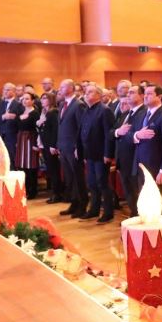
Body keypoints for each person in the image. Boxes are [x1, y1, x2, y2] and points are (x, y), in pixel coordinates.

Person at [133, 85, 162, 216]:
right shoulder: (143, 114)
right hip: (142, 164)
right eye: (145, 94)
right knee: (146, 200)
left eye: (150, 94)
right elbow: (134, 134)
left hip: (157, 167)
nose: (145, 96)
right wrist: (136, 135)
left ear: (159, 96)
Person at [78, 85, 116, 223]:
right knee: (92, 183)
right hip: (90, 154)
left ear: (99, 95)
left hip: (101, 154)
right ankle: (94, 210)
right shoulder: (86, 110)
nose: (86, 94)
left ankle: (108, 212)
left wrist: (108, 154)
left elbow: (108, 134)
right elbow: (82, 132)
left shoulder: (104, 110)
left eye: (90, 92)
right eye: (86, 92)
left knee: (102, 183)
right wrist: (82, 152)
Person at [113, 85, 146, 217]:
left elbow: (137, 134)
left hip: (135, 158)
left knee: (137, 190)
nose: (128, 95)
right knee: (128, 191)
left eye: (132, 92)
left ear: (142, 96)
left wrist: (123, 133)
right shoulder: (126, 114)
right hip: (123, 159)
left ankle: (141, 216)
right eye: (128, 93)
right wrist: (118, 132)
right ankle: (134, 214)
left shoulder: (144, 113)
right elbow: (112, 132)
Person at [57, 79, 88, 218]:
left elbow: (81, 128)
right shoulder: (62, 104)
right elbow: (61, 126)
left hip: (73, 148)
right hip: (64, 147)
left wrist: (77, 146)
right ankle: (74, 203)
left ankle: (82, 205)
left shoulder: (78, 105)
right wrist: (59, 145)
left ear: (71, 88)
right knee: (70, 177)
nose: (60, 89)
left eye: (63, 86)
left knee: (78, 177)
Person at [37, 92, 62, 203]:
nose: (42, 100)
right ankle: (55, 193)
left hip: (50, 145)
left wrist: (53, 145)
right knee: (50, 170)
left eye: (45, 98)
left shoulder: (53, 112)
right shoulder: (44, 113)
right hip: (45, 144)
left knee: (54, 170)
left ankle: (57, 194)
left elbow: (55, 130)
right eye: (41, 98)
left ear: (51, 100)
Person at [15, 93, 40, 199]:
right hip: (21, 140)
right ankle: (25, 189)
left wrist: (36, 144)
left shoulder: (35, 113)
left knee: (31, 166)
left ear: (32, 101)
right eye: (23, 99)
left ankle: (32, 190)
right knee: (22, 166)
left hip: (31, 140)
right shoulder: (20, 112)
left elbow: (37, 129)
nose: (24, 101)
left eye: (27, 99)